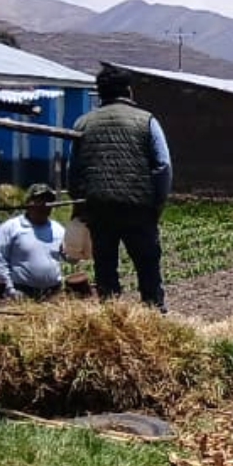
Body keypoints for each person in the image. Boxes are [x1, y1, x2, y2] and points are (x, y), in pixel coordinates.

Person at [71, 66, 172, 311]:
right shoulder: (147, 121)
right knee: (147, 267)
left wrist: (79, 203)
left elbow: (73, 170)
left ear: (100, 93)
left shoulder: (83, 123)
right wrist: (157, 203)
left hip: (99, 208)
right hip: (138, 207)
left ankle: (112, 317)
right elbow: (163, 165)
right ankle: (154, 315)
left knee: (105, 269)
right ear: (129, 91)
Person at [0, 183, 68, 301]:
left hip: (53, 293)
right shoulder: (12, 227)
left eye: (48, 202)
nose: (45, 205)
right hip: (22, 294)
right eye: (40, 200)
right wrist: (10, 289)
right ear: (29, 203)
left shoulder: (58, 229)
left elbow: (70, 257)